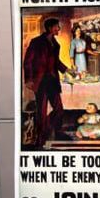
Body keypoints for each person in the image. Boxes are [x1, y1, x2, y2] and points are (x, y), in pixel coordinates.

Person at [23, 17, 69, 148]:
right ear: (50, 28)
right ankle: (40, 139)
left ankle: (54, 131)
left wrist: (67, 70)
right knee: (41, 112)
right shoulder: (36, 42)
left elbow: (56, 62)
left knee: (59, 109)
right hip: (40, 81)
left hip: (53, 81)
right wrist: (28, 80)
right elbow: (27, 62)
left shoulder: (56, 44)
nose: (59, 29)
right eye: (57, 27)